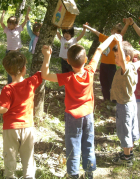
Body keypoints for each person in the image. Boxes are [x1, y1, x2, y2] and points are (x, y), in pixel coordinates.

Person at [41, 34, 117, 179]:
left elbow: (45, 75)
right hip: (88, 115)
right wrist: (112, 36)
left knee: (73, 144)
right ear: (86, 60)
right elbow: (100, 49)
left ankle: (73, 174)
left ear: (68, 61)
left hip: (72, 117)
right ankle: (89, 173)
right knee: (88, 143)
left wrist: (47, 56)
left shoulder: (68, 77)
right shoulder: (90, 71)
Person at [0, 51, 42, 178]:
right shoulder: (31, 82)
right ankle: (29, 176)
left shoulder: (7, 89)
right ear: (24, 69)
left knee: (10, 157)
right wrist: (47, 56)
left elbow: (3, 108)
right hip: (27, 128)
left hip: (11, 129)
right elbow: (43, 72)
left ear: (8, 71)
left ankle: (9, 175)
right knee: (28, 158)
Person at [110, 37, 140, 166]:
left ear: (126, 58)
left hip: (124, 106)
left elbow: (124, 59)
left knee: (124, 130)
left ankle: (126, 158)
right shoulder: (133, 66)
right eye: (115, 55)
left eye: (117, 55)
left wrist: (118, 42)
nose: (115, 58)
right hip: (131, 103)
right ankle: (128, 152)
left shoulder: (126, 68)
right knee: (131, 128)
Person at [83, 23, 128, 101]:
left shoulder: (117, 42)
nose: (115, 35)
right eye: (114, 33)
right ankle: (106, 98)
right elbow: (96, 32)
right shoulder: (105, 38)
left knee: (112, 83)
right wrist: (87, 27)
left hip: (112, 66)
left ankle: (113, 99)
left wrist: (127, 24)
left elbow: (122, 33)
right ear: (111, 31)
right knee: (103, 82)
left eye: (117, 34)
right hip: (103, 65)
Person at [0, 9, 29, 84]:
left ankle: (18, 80)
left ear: (15, 25)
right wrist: (3, 13)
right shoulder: (7, 30)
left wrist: (28, 11)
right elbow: (1, 22)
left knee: (19, 66)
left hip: (17, 52)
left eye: (10, 24)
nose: (8, 25)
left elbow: (25, 21)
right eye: (8, 23)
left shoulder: (18, 29)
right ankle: (10, 82)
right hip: (9, 52)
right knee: (10, 67)